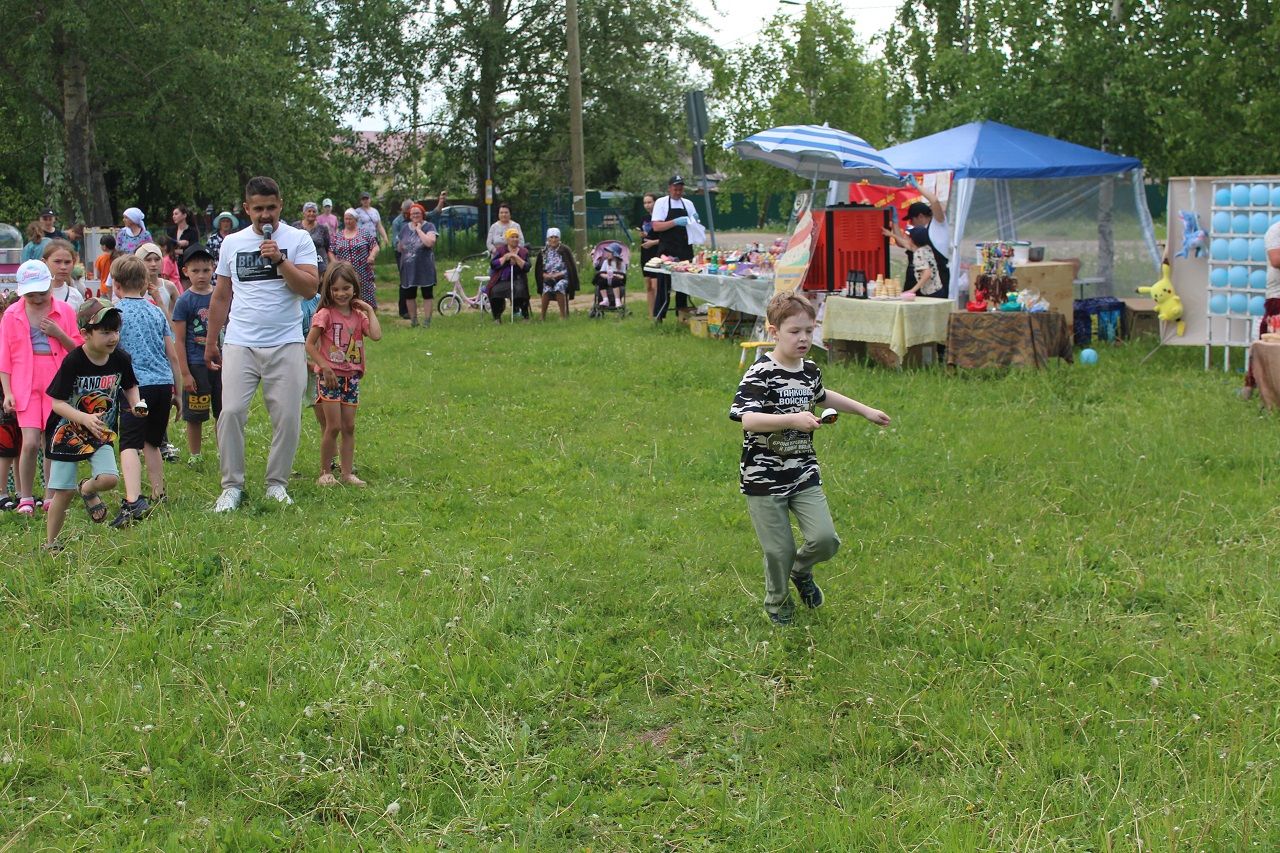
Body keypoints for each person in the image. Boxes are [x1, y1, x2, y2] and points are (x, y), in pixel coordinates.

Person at [729, 291, 892, 626]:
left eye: (809, 329)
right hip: (764, 476)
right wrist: (792, 419)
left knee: (825, 540)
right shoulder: (760, 372)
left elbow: (822, 395)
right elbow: (747, 419)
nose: (804, 338)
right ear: (773, 332)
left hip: (803, 470)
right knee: (779, 551)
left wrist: (865, 410)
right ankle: (777, 603)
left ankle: (801, 572)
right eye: (794, 331)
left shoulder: (810, 370)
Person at [205, 175, 319, 512]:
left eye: (271, 208)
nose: (265, 215)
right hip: (240, 342)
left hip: (286, 342)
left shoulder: (298, 239)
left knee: (287, 416)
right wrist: (212, 341)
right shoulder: (232, 243)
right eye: (258, 209)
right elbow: (221, 294)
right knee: (231, 412)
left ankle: (276, 485)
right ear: (246, 209)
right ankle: (231, 487)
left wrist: (280, 261)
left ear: (280, 205)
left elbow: (310, 288)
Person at [42, 298, 142, 550]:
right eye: (106, 332)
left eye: (116, 330)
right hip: (67, 433)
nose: (113, 337)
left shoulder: (120, 358)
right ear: (85, 333)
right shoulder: (74, 361)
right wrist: (84, 418)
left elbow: (130, 386)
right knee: (62, 494)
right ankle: (51, 543)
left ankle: (87, 488)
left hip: (101, 432)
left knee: (109, 479)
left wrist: (137, 403)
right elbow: (57, 403)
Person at [0, 260, 83, 516]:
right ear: (22, 292)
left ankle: (49, 495)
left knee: (52, 441)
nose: (37, 299)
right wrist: (8, 392)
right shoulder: (12, 314)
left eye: (42, 293)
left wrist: (59, 333)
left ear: (50, 286)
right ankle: (26, 497)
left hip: (56, 379)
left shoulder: (66, 311)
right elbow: (4, 356)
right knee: (30, 442)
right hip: (24, 381)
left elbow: (78, 351)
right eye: (31, 294)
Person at [109, 254, 182, 527]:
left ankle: (133, 500)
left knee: (129, 443)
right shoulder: (156, 311)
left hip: (135, 391)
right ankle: (158, 492)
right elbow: (172, 356)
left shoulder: (114, 315)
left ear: (116, 284)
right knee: (152, 441)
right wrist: (179, 394)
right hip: (162, 387)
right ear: (144, 283)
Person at [305, 262, 381, 487]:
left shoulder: (359, 316)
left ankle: (347, 474)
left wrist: (368, 309)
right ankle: (325, 473)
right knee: (334, 426)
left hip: (351, 379)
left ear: (354, 288)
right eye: (335, 289)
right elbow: (309, 345)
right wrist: (324, 367)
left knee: (349, 426)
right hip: (329, 378)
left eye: (346, 288)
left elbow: (376, 335)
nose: (340, 293)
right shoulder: (325, 315)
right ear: (327, 289)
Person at [171, 244, 221, 465]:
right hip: (195, 363)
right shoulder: (184, 301)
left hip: (220, 363)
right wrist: (185, 373)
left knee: (223, 411)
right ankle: (195, 454)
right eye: (195, 271)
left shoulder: (221, 296)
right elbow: (179, 340)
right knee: (195, 414)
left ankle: (224, 451)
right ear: (185, 272)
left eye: (206, 270)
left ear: (213, 269)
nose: (201, 276)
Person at [651, 175, 701, 321]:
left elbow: (694, 224)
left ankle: (682, 314)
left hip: (685, 247)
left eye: (680, 189)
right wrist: (674, 222)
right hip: (667, 249)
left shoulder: (688, 204)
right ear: (669, 188)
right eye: (675, 189)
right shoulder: (661, 203)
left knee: (684, 283)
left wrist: (695, 221)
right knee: (664, 283)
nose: (678, 192)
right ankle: (660, 315)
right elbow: (656, 226)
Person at [890, 182, 952, 298]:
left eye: (912, 220)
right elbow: (902, 243)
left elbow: (934, 201)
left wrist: (917, 186)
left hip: (935, 283)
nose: (911, 223)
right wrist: (895, 222)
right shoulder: (916, 230)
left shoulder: (938, 225)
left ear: (920, 216)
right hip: (915, 277)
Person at [397, 203, 438, 327]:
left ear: (423, 214)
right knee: (409, 295)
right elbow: (399, 247)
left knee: (427, 294)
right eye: (413, 213)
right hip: (408, 267)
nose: (415, 215)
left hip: (425, 266)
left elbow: (429, 243)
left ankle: (427, 321)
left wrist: (418, 230)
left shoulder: (429, 226)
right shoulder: (404, 228)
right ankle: (414, 321)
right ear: (409, 215)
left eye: (418, 213)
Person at [330, 208, 379, 308]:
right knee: (347, 298)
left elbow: (375, 246)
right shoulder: (337, 236)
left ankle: (369, 319)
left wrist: (372, 256)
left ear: (356, 220)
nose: (348, 221)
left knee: (367, 300)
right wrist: (335, 264)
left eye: (350, 219)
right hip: (345, 273)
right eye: (346, 219)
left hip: (363, 273)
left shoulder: (364, 234)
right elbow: (330, 251)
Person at [533, 227, 578, 320]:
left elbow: (570, 268)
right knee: (546, 289)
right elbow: (539, 269)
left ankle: (562, 316)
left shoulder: (565, 250)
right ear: (547, 238)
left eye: (556, 237)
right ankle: (542, 316)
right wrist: (544, 275)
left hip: (562, 278)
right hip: (548, 278)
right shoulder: (543, 251)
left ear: (559, 238)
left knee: (559, 286)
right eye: (551, 237)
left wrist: (559, 275)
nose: (553, 240)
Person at [488, 228, 529, 322]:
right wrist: (505, 257)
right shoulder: (501, 250)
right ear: (507, 239)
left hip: (518, 279)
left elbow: (527, 267)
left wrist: (516, 257)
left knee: (520, 290)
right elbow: (493, 265)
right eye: (512, 237)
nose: (515, 239)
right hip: (504, 279)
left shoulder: (523, 251)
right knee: (495, 291)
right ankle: (497, 318)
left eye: (516, 237)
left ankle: (524, 316)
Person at [133, 242, 179, 319]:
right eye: (148, 260)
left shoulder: (169, 286)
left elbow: (181, 312)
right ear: (139, 262)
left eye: (157, 259)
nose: (153, 264)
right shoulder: (132, 287)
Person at [43, 240, 85, 310]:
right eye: (57, 262)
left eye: (67, 262)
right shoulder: (32, 295)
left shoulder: (75, 296)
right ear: (44, 262)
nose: (63, 267)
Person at [391, 199, 415, 319]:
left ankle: (411, 308)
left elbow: (433, 214)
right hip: (402, 254)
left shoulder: (416, 218)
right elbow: (395, 241)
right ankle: (403, 310)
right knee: (405, 281)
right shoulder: (397, 222)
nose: (408, 214)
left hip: (414, 253)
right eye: (406, 212)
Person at [639, 192, 661, 317]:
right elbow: (643, 233)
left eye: (649, 202)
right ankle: (651, 314)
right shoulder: (644, 219)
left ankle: (658, 313)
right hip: (645, 254)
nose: (647, 205)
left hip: (657, 254)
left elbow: (666, 239)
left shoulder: (662, 219)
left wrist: (653, 242)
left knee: (655, 285)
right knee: (648, 285)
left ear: (655, 203)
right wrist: (642, 235)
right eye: (645, 203)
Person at [903, 226, 941, 296]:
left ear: (911, 241)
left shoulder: (918, 254)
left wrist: (912, 290)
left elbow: (927, 273)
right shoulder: (927, 248)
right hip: (938, 289)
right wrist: (892, 235)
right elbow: (908, 245)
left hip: (930, 293)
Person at [294, 202, 331, 277]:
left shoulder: (323, 228)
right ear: (304, 213)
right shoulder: (296, 226)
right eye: (309, 211)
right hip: (301, 264)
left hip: (320, 265)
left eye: (314, 211)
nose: (311, 213)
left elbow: (327, 247)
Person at [593, 242, 626, 309]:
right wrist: (606, 276)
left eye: (609, 252)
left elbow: (623, 276)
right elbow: (601, 273)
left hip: (616, 280)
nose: (607, 254)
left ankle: (617, 300)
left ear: (615, 254)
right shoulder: (605, 262)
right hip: (607, 278)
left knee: (615, 281)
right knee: (601, 281)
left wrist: (617, 276)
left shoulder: (622, 264)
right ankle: (605, 300)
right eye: (607, 252)